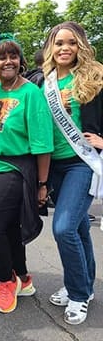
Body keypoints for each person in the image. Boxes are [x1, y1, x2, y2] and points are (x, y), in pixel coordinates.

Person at [0, 33, 53, 314]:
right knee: (8, 229)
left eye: (13, 56)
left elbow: (43, 143)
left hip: (15, 168)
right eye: (1, 56)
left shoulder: (31, 93)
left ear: (20, 61)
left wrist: (42, 185)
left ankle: (6, 282)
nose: (7, 61)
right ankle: (23, 277)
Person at [42, 21, 103, 325]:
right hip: (54, 165)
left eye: (72, 42)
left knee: (63, 228)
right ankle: (85, 287)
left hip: (82, 162)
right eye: (59, 43)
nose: (65, 48)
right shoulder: (44, 81)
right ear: (50, 48)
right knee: (78, 229)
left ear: (81, 46)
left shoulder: (94, 77)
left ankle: (78, 295)